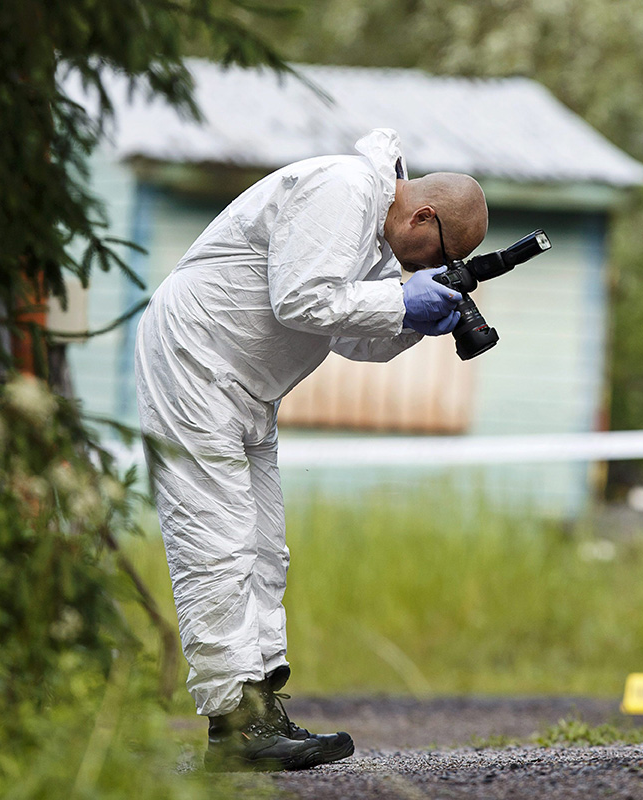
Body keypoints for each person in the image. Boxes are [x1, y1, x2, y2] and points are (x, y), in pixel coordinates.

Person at [134, 128, 488, 772]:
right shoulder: (343, 188)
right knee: (216, 540)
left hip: (245, 386)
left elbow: (352, 335)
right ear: (424, 214)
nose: (419, 269)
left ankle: (263, 711)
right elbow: (300, 298)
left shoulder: (375, 234)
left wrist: (414, 320)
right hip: (195, 360)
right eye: (435, 255)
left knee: (266, 547)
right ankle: (233, 724)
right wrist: (399, 297)